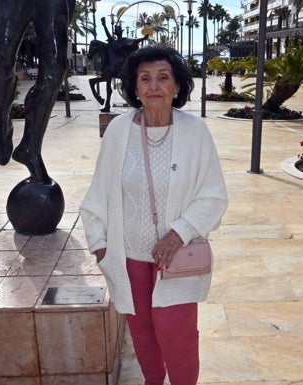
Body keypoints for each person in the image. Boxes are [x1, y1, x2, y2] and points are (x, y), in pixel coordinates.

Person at [80, 45, 228, 385]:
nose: (154, 86)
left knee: (178, 336)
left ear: (177, 87)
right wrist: (101, 246)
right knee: (142, 332)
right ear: (134, 87)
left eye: (163, 77)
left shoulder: (195, 132)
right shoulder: (118, 130)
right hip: (128, 254)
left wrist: (178, 233)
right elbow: (98, 192)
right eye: (144, 79)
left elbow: (214, 195)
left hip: (176, 257)